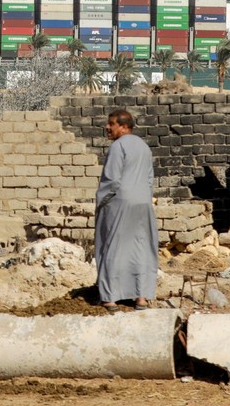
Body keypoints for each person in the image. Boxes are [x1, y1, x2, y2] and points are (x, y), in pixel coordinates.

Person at [94, 109, 158, 310]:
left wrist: (100, 201)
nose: (107, 127)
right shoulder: (143, 147)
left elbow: (112, 180)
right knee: (141, 248)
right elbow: (149, 179)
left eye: (111, 124)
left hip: (120, 202)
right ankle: (141, 297)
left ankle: (110, 297)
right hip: (143, 203)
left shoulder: (118, 146)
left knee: (112, 246)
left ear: (123, 126)